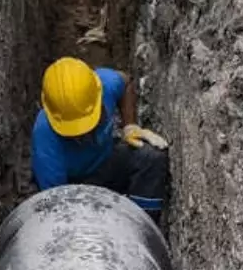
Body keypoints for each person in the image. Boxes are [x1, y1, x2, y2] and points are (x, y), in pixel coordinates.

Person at [31, 57, 169, 223]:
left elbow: (126, 83)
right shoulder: (45, 135)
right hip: (74, 187)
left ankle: (142, 227)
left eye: (87, 125)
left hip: (106, 162)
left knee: (151, 159)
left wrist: (130, 126)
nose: (82, 135)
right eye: (73, 132)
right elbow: (56, 203)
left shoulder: (106, 84)